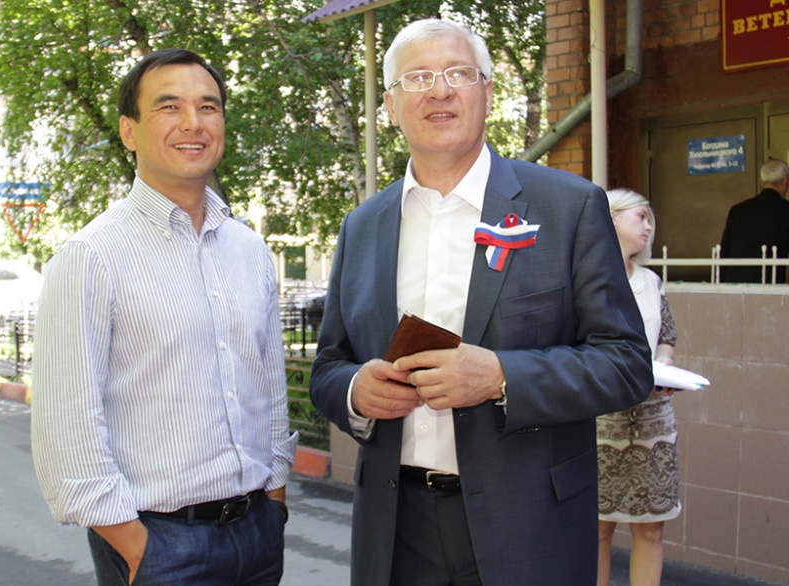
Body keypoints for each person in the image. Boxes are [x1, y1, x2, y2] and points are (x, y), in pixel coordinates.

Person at [309, 18, 653, 586]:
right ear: (390, 106)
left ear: (488, 93)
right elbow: (328, 365)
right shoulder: (362, 226)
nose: (439, 90)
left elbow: (626, 364)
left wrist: (500, 377)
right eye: (418, 77)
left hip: (529, 527)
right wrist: (354, 391)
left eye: (459, 74)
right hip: (396, 529)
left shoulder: (568, 207)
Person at [31, 49, 297, 586]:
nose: (193, 123)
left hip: (257, 532)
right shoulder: (92, 257)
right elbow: (67, 426)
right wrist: (137, 548)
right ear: (129, 131)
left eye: (208, 107)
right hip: (160, 545)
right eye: (169, 107)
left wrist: (274, 498)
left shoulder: (248, 250)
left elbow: (268, 386)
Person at [597, 189, 681, 586]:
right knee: (597, 528)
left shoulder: (651, 281)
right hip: (600, 422)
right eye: (641, 217)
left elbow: (667, 336)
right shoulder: (586, 277)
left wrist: (664, 366)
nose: (649, 226)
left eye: (650, 219)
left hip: (653, 423)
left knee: (651, 529)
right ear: (611, 217)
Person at [719, 158, 789, 283]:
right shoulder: (786, 210)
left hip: (734, 283)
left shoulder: (737, 210)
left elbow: (724, 252)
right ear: (785, 182)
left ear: (761, 182)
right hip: (769, 285)